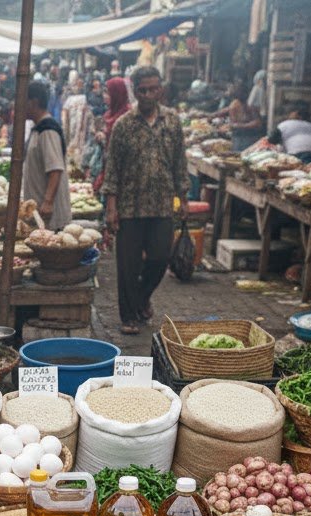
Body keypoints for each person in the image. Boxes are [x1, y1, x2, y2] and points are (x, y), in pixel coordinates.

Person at [102, 65, 188, 335]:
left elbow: (180, 162)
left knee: (160, 258)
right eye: (143, 90)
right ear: (135, 92)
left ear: (161, 89)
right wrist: (111, 207)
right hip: (130, 205)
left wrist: (184, 198)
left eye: (154, 89)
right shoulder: (124, 125)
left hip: (162, 205)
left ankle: (140, 298)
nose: (149, 95)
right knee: (128, 265)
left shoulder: (172, 121)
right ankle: (128, 316)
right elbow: (112, 168)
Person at [22, 80, 72, 231]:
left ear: (33, 102)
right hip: (39, 213)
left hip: (50, 216)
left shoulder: (48, 130)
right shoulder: (38, 128)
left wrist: (48, 202)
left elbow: (55, 169)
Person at [91, 77, 129, 192]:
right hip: (106, 166)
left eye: (108, 93)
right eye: (104, 92)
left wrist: (106, 137)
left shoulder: (127, 117)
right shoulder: (108, 114)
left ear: (117, 94)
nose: (105, 96)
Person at [62, 74, 92, 168]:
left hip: (80, 131)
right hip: (72, 128)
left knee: (78, 150)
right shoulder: (69, 99)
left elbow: (87, 115)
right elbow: (65, 116)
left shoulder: (84, 98)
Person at [224, 80, 263, 152]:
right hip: (238, 137)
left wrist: (241, 125)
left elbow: (258, 122)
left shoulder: (249, 105)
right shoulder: (234, 105)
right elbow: (233, 123)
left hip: (248, 137)